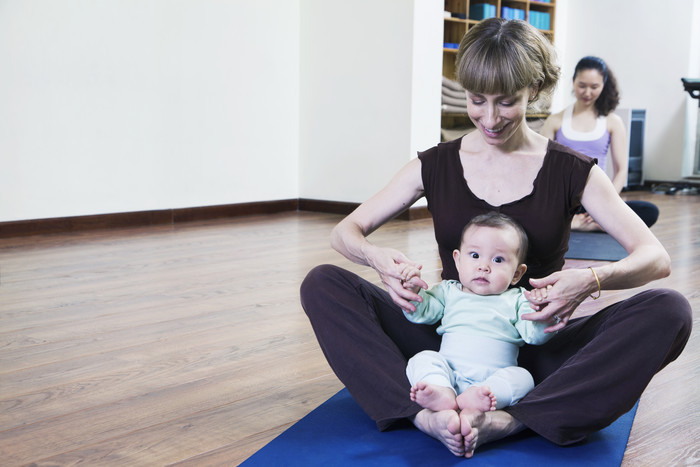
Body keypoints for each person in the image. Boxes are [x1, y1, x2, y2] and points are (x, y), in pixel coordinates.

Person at [300, 18, 691, 459]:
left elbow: (655, 258)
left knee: (670, 311)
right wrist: (376, 259)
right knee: (323, 282)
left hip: (536, 345)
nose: (489, 117)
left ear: (535, 91)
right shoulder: (434, 164)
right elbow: (344, 231)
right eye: (476, 100)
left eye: (506, 102)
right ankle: (424, 415)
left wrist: (591, 281)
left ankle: (512, 419)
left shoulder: (573, 170)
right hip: (444, 341)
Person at [401, 212, 554, 417]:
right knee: (422, 359)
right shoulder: (448, 291)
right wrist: (412, 292)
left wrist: (544, 312)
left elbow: (534, 335)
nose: (483, 266)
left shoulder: (520, 299)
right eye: (474, 256)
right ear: (457, 260)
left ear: (517, 273)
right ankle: (440, 390)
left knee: (523, 377)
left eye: (498, 259)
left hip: (492, 381)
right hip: (449, 372)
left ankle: (482, 397)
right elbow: (422, 313)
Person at [540, 56, 659, 231]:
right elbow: (541, 164)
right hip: (563, 197)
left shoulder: (613, 122)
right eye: (582, 85)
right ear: (573, 82)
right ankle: (593, 224)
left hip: (597, 198)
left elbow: (622, 170)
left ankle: (583, 224)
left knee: (649, 211)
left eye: (594, 87)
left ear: (603, 85)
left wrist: (608, 201)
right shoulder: (555, 120)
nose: (587, 93)